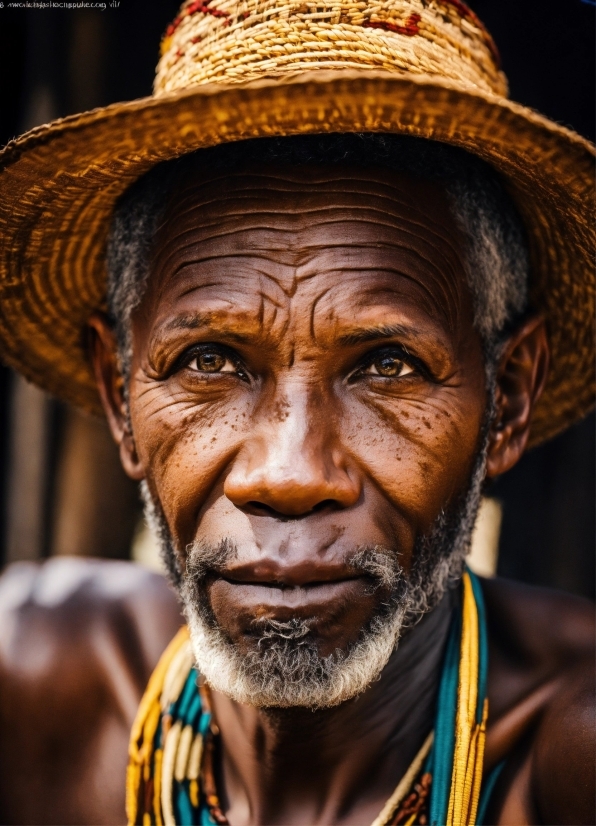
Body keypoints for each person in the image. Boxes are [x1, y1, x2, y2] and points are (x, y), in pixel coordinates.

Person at [0, 2, 594, 824]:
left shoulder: (572, 760)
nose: (288, 474)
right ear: (119, 392)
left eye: (388, 366)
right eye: (209, 361)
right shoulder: (30, 684)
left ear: (508, 398)